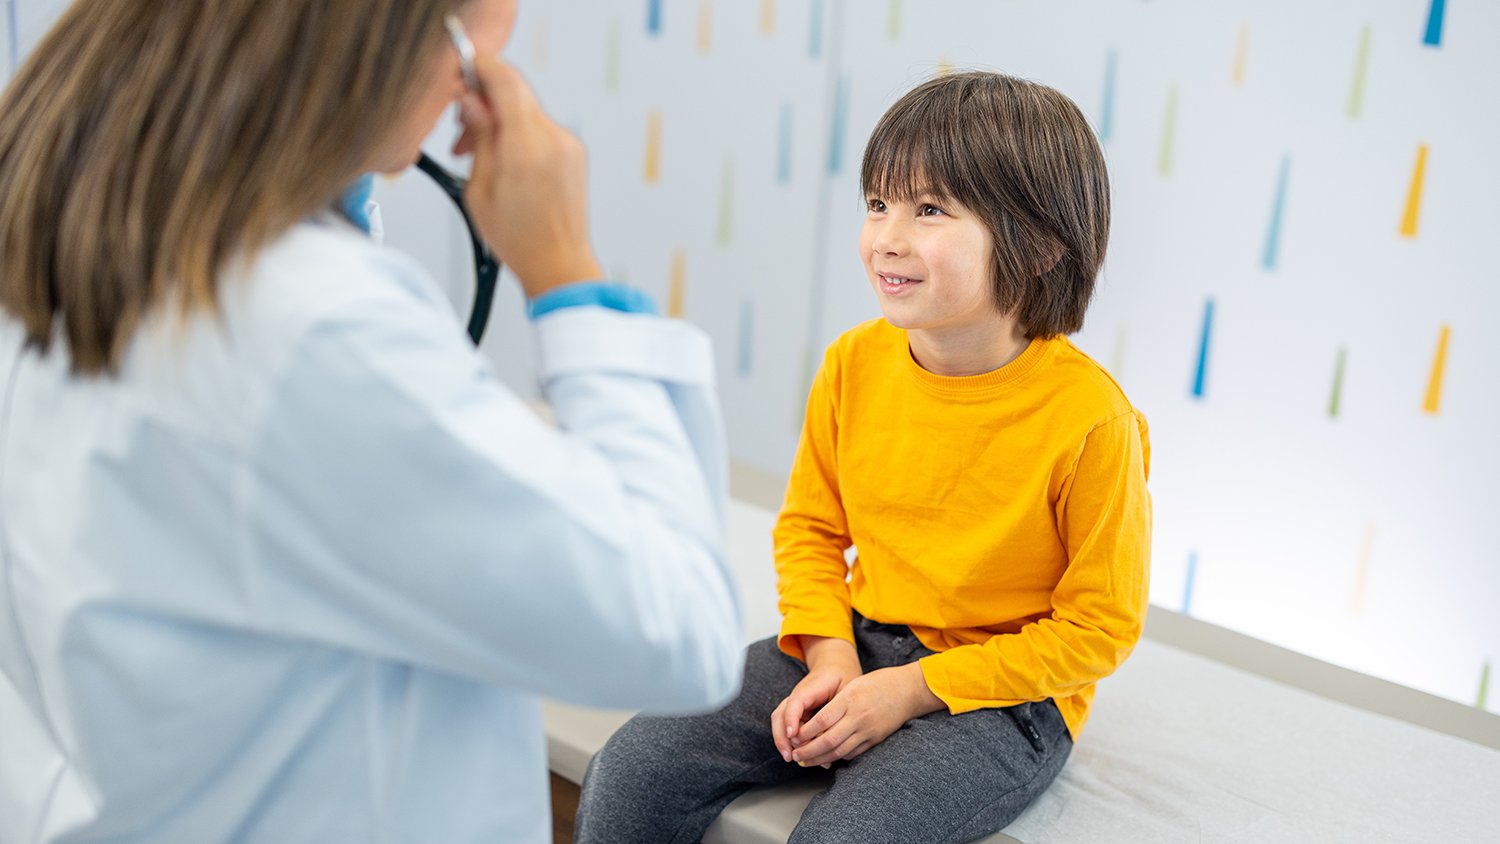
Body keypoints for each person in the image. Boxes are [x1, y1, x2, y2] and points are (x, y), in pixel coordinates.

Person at [0, 1, 742, 842]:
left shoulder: (72, 238)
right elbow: (678, 625)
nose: (473, 83)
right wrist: (568, 274)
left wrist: (331, 188)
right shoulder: (309, 327)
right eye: (469, 48)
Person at [576, 71, 1152, 843]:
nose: (887, 236)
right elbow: (810, 530)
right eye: (879, 203)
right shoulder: (853, 363)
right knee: (637, 766)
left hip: (1000, 698)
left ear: (1041, 244)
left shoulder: (1092, 422)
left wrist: (909, 691)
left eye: (930, 210)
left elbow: (1097, 629)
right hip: (858, 633)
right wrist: (832, 660)